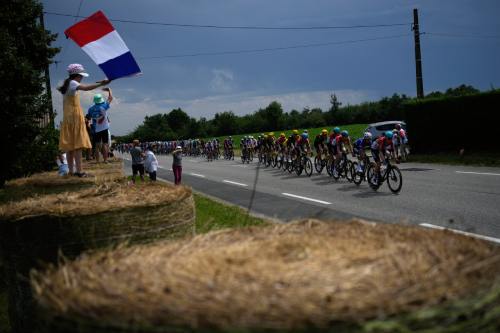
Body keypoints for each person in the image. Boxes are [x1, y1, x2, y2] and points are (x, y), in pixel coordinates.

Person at [58, 63, 110, 177]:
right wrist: (102, 83)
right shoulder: (73, 83)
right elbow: (86, 88)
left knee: (70, 146)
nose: (82, 78)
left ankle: (71, 172)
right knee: (77, 145)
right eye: (81, 76)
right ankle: (80, 171)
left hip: (68, 117)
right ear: (77, 75)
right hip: (74, 117)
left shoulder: (67, 84)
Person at [87, 88, 113, 163]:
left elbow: (89, 116)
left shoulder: (91, 109)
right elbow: (110, 98)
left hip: (96, 128)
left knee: (97, 145)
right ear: (101, 99)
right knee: (105, 144)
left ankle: (97, 160)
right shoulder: (104, 106)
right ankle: (105, 160)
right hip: (104, 128)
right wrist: (109, 90)